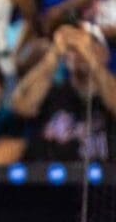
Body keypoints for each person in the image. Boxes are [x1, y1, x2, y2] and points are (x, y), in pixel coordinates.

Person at [11, 24, 116, 162]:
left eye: (92, 45)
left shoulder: (108, 91)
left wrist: (91, 59)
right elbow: (22, 106)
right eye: (73, 49)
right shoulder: (51, 92)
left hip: (103, 179)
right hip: (49, 178)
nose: (80, 51)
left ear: (105, 55)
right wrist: (54, 54)